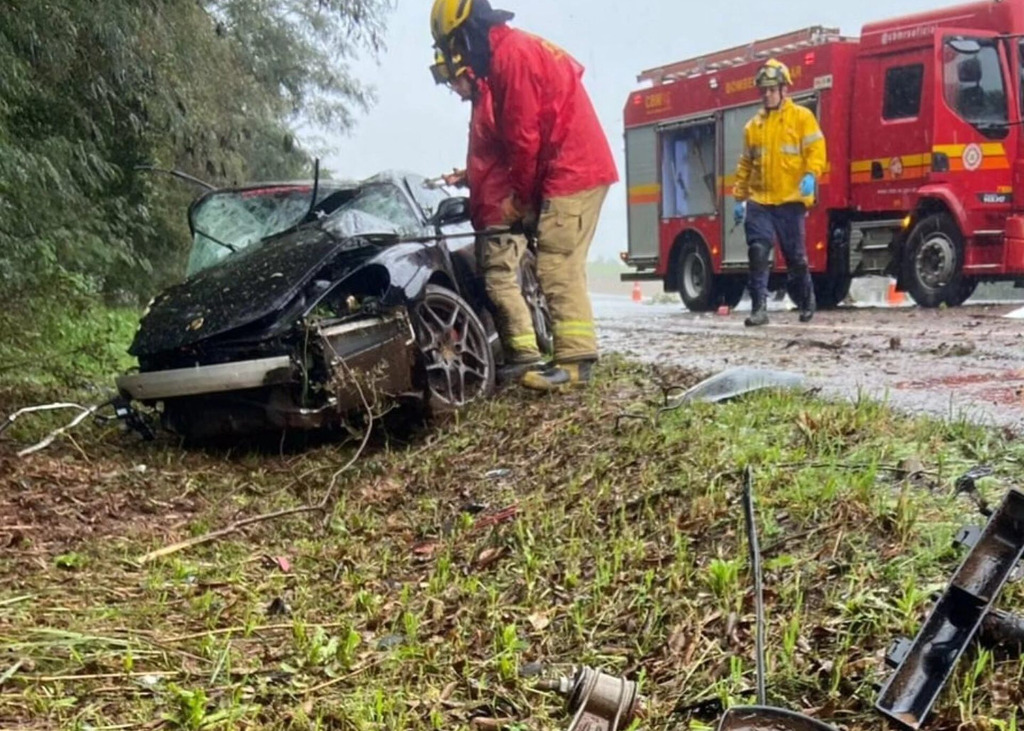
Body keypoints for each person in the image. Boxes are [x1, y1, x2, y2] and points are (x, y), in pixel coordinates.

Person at [430, 0, 618, 391]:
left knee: (556, 265)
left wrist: (521, 198)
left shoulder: (509, 60)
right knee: (557, 263)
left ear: (467, 35)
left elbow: (523, 138)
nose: (458, 62)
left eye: (455, 49)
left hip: (571, 170)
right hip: (570, 166)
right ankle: (571, 357)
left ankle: (575, 364)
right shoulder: (517, 50)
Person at [430, 51, 545, 380]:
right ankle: (517, 356)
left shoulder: (492, 100)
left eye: (454, 80)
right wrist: (466, 176)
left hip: (501, 213)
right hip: (491, 212)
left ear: (468, 71)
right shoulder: (482, 103)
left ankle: (526, 356)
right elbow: (493, 160)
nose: (454, 89)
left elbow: (519, 151)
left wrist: (518, 202)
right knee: (498, 283)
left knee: (499, 284)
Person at [732, 58, 827, 327]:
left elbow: (816, 151)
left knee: (795, 256)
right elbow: (746, 164)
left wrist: (811, 174)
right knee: (758, 251)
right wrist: (739, 198)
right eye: (763, 90)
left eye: (772, 89)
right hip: (760, 200)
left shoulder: (801, 119)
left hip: (789, 200)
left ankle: (807, 299)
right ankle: (759, 309)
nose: (767, 94)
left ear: (785, 89)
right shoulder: (753, 127)